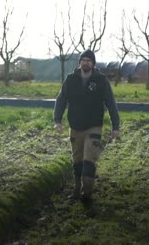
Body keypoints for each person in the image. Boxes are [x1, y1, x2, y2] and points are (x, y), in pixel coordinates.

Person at [53, 49, 120, 203]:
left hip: (94, 126)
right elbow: (61, 100)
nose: (86, 62)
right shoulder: (70, 80)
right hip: (75, 126)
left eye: (89, 60)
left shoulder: (101, 80)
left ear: (93, 63)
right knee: (77, 160)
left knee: (89, 160)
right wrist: (57, 120)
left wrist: (115, 126)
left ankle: (86, 194)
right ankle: (76, 190)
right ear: (80, 63)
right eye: (83, 60)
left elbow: (111, 103)